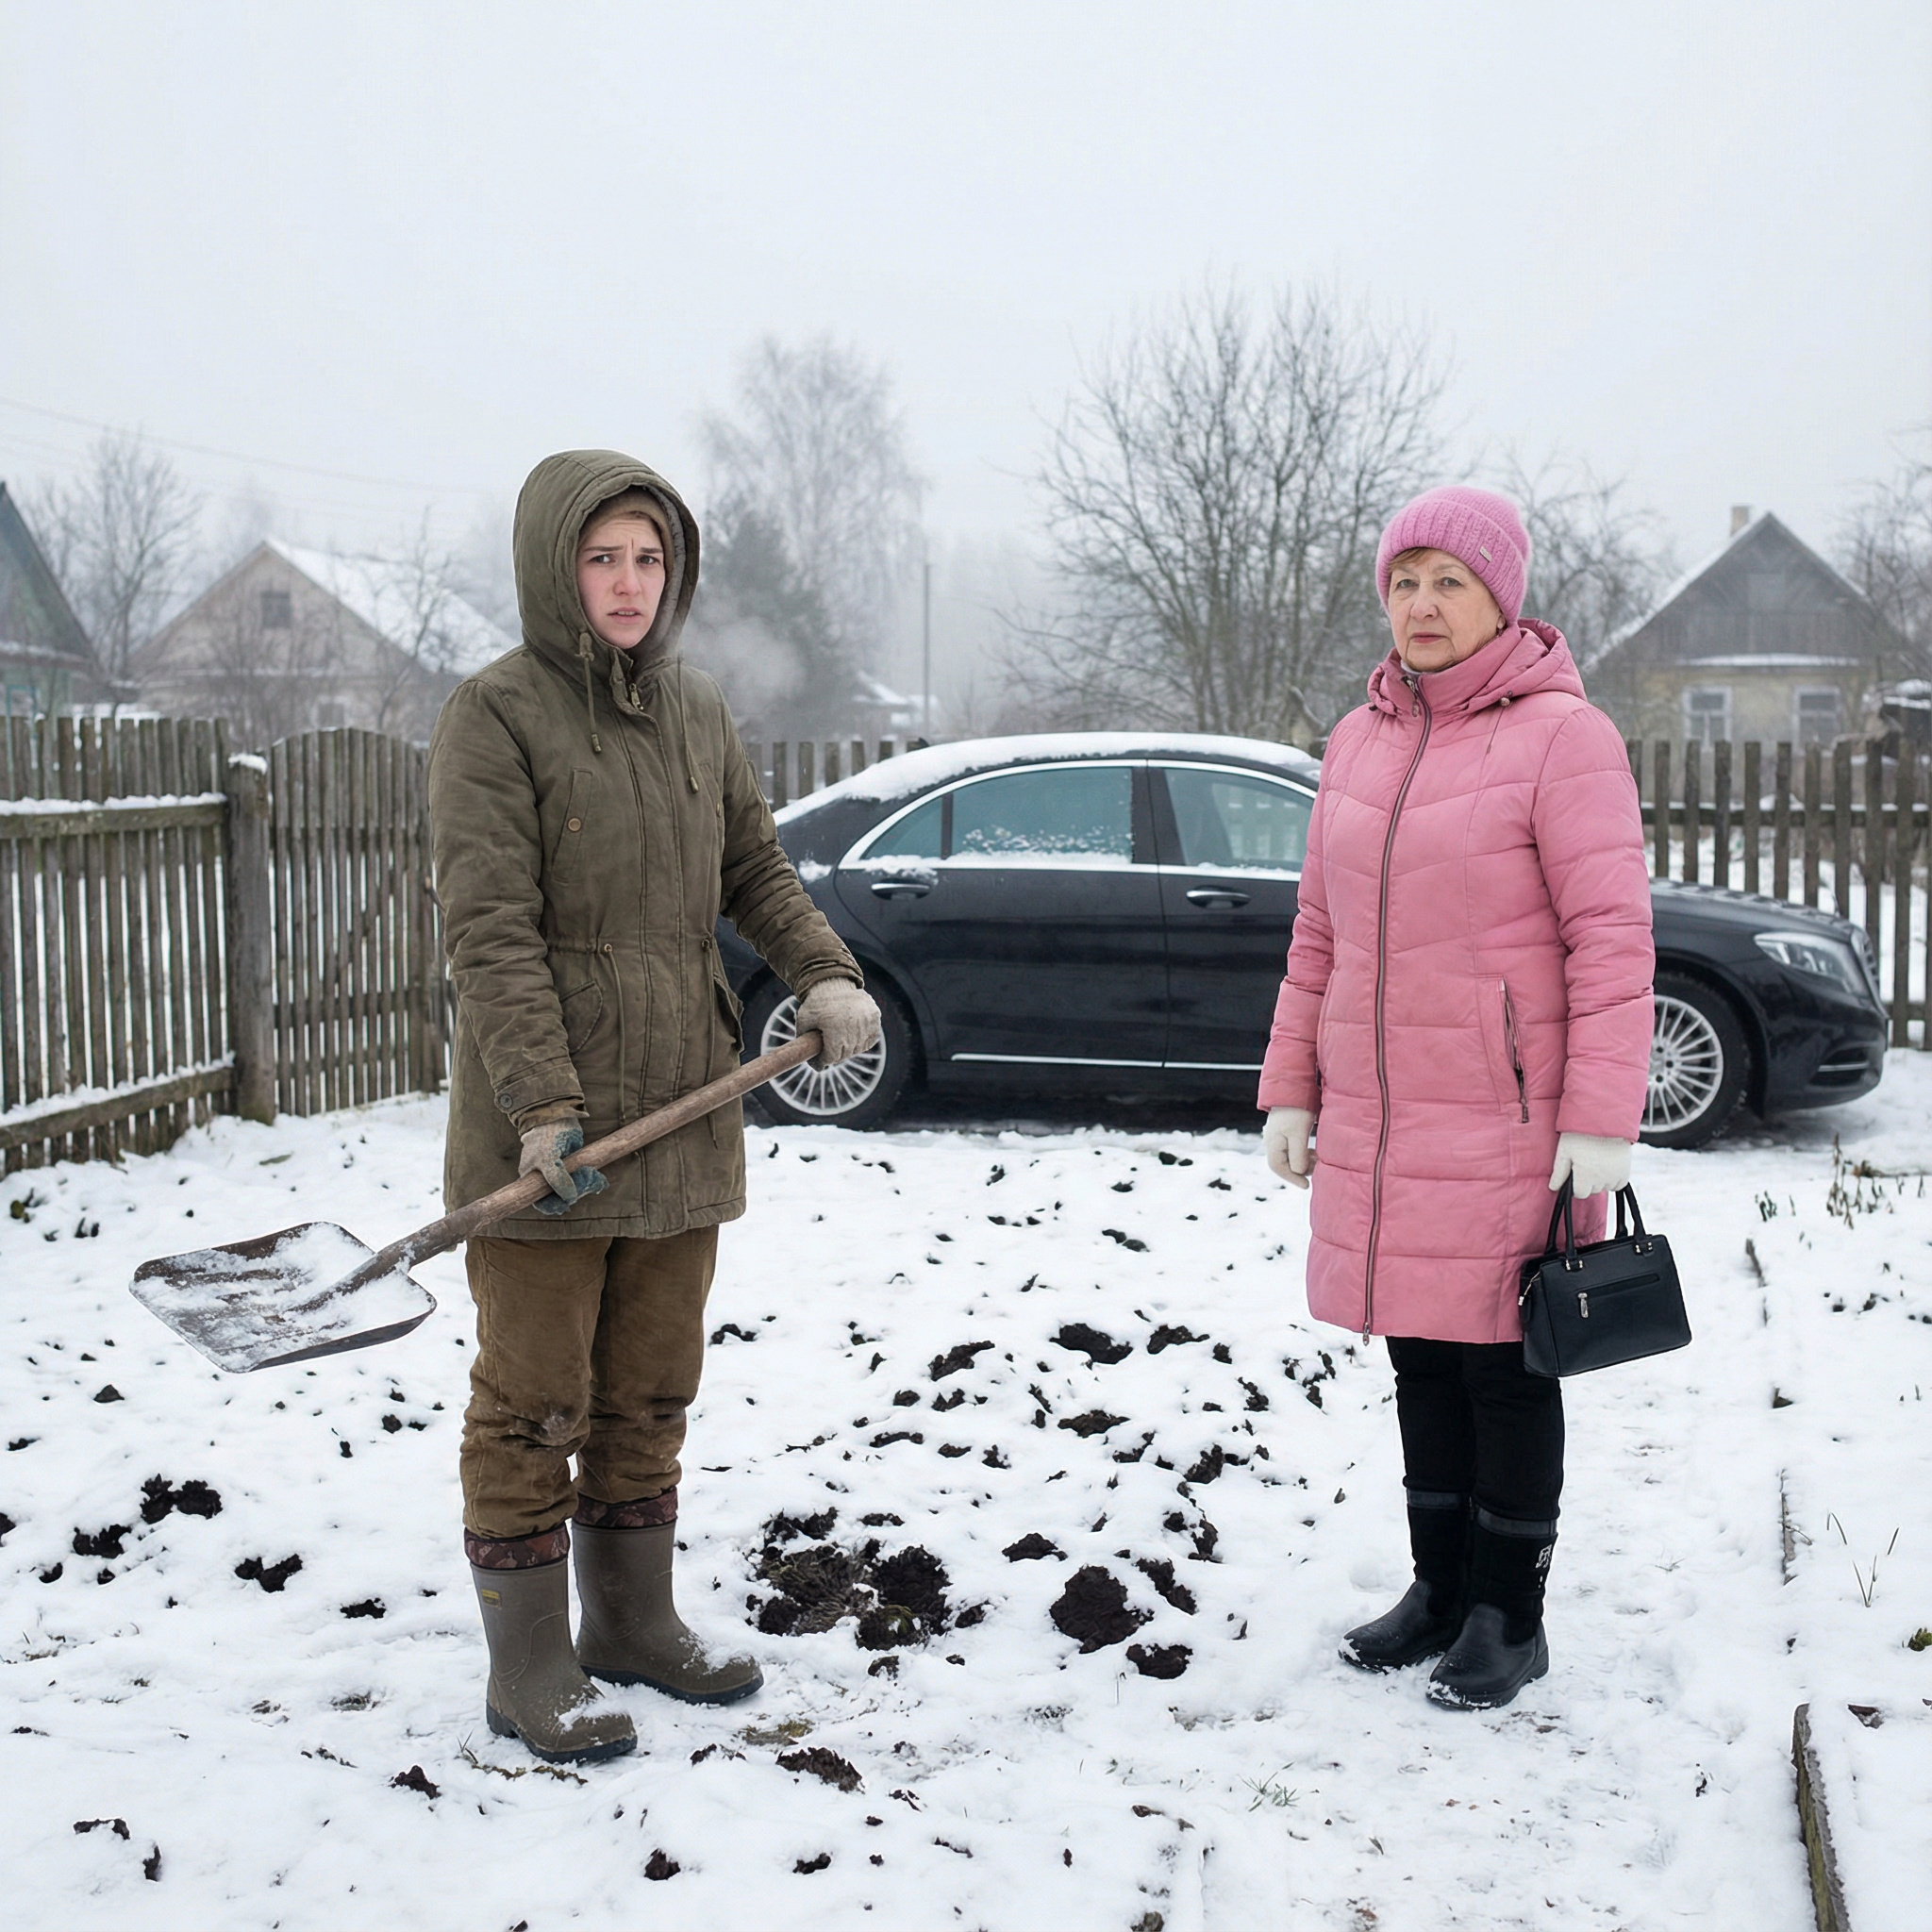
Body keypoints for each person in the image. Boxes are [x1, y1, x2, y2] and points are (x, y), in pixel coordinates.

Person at [427, 449, 880, 1763]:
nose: (629, 583)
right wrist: (543, 1104)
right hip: (550, 1137)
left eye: (648, 558)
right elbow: (493, 933)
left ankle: (631, 1623)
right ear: (552, 567)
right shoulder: (494, 717)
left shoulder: (694, 715)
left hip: (681, 1114)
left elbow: (757, 870)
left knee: (649, 1392)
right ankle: (529, 1670)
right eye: (601, 557)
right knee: (535, 1401)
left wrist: (828, 973)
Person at [1257, 485, 1654, 1710]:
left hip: (1507, 1115)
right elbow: (1319, 930)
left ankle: (1506, 1614)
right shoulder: (1359, 739)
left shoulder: (1561, 737)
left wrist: (1600, 1115)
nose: (1422, 605)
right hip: (1382, 1110)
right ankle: (1437, 1590)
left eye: (1451, 582)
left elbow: (1612, 937)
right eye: (1406, 580)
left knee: (1503, 1366)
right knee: (1421, 1355)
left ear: (1500, 598)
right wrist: (1292, 1088)